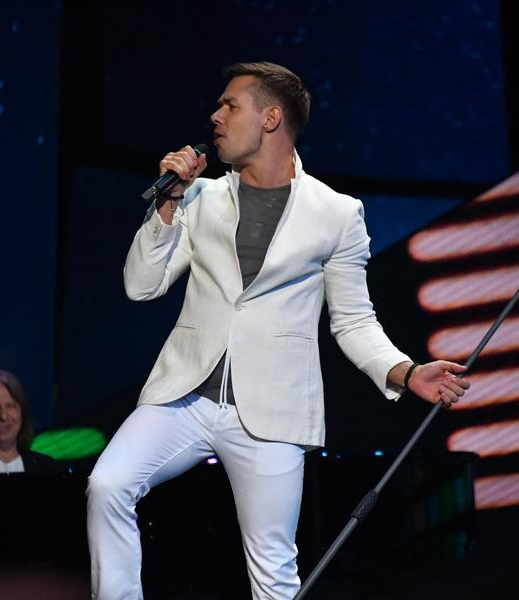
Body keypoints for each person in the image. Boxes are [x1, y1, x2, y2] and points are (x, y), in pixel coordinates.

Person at [86, 62, 470, 599]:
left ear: (270, 118)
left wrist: (405, 372)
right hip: (184, 396)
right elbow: (141, 286)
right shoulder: (198, 197)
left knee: (272, 568)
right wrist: (168, 203)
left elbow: (353, 319)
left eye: (230, 105)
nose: (215, 116)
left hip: (270, 413)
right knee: (107, 484)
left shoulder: (336, 213)